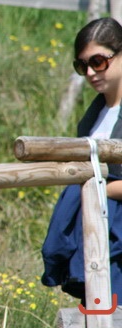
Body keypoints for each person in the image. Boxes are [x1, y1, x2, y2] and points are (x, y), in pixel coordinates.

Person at [41, 17, 122, 305]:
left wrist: (94, 188)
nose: (89, 72)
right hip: (98, 234)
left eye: (98, 62)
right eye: (82, 65)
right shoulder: (94, 114)